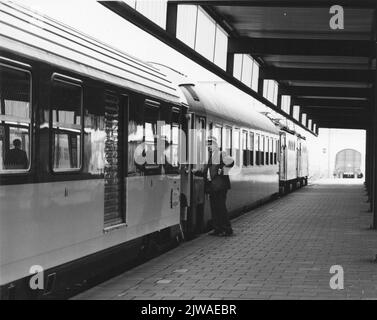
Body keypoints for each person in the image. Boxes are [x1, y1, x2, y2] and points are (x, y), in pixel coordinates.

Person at [194, 136, 234, 236]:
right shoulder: (212, 156)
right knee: (214, 208)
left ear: (216, 145)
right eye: (208, 145)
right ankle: (218, 229)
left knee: (221, 208)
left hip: (220, 186)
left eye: (211, 144)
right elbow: (207, 171)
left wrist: (222, 170)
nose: (209, 147)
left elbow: (231, 162)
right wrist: (196, 172)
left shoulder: (221, 154)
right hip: (212, 187)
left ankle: (227, 229)